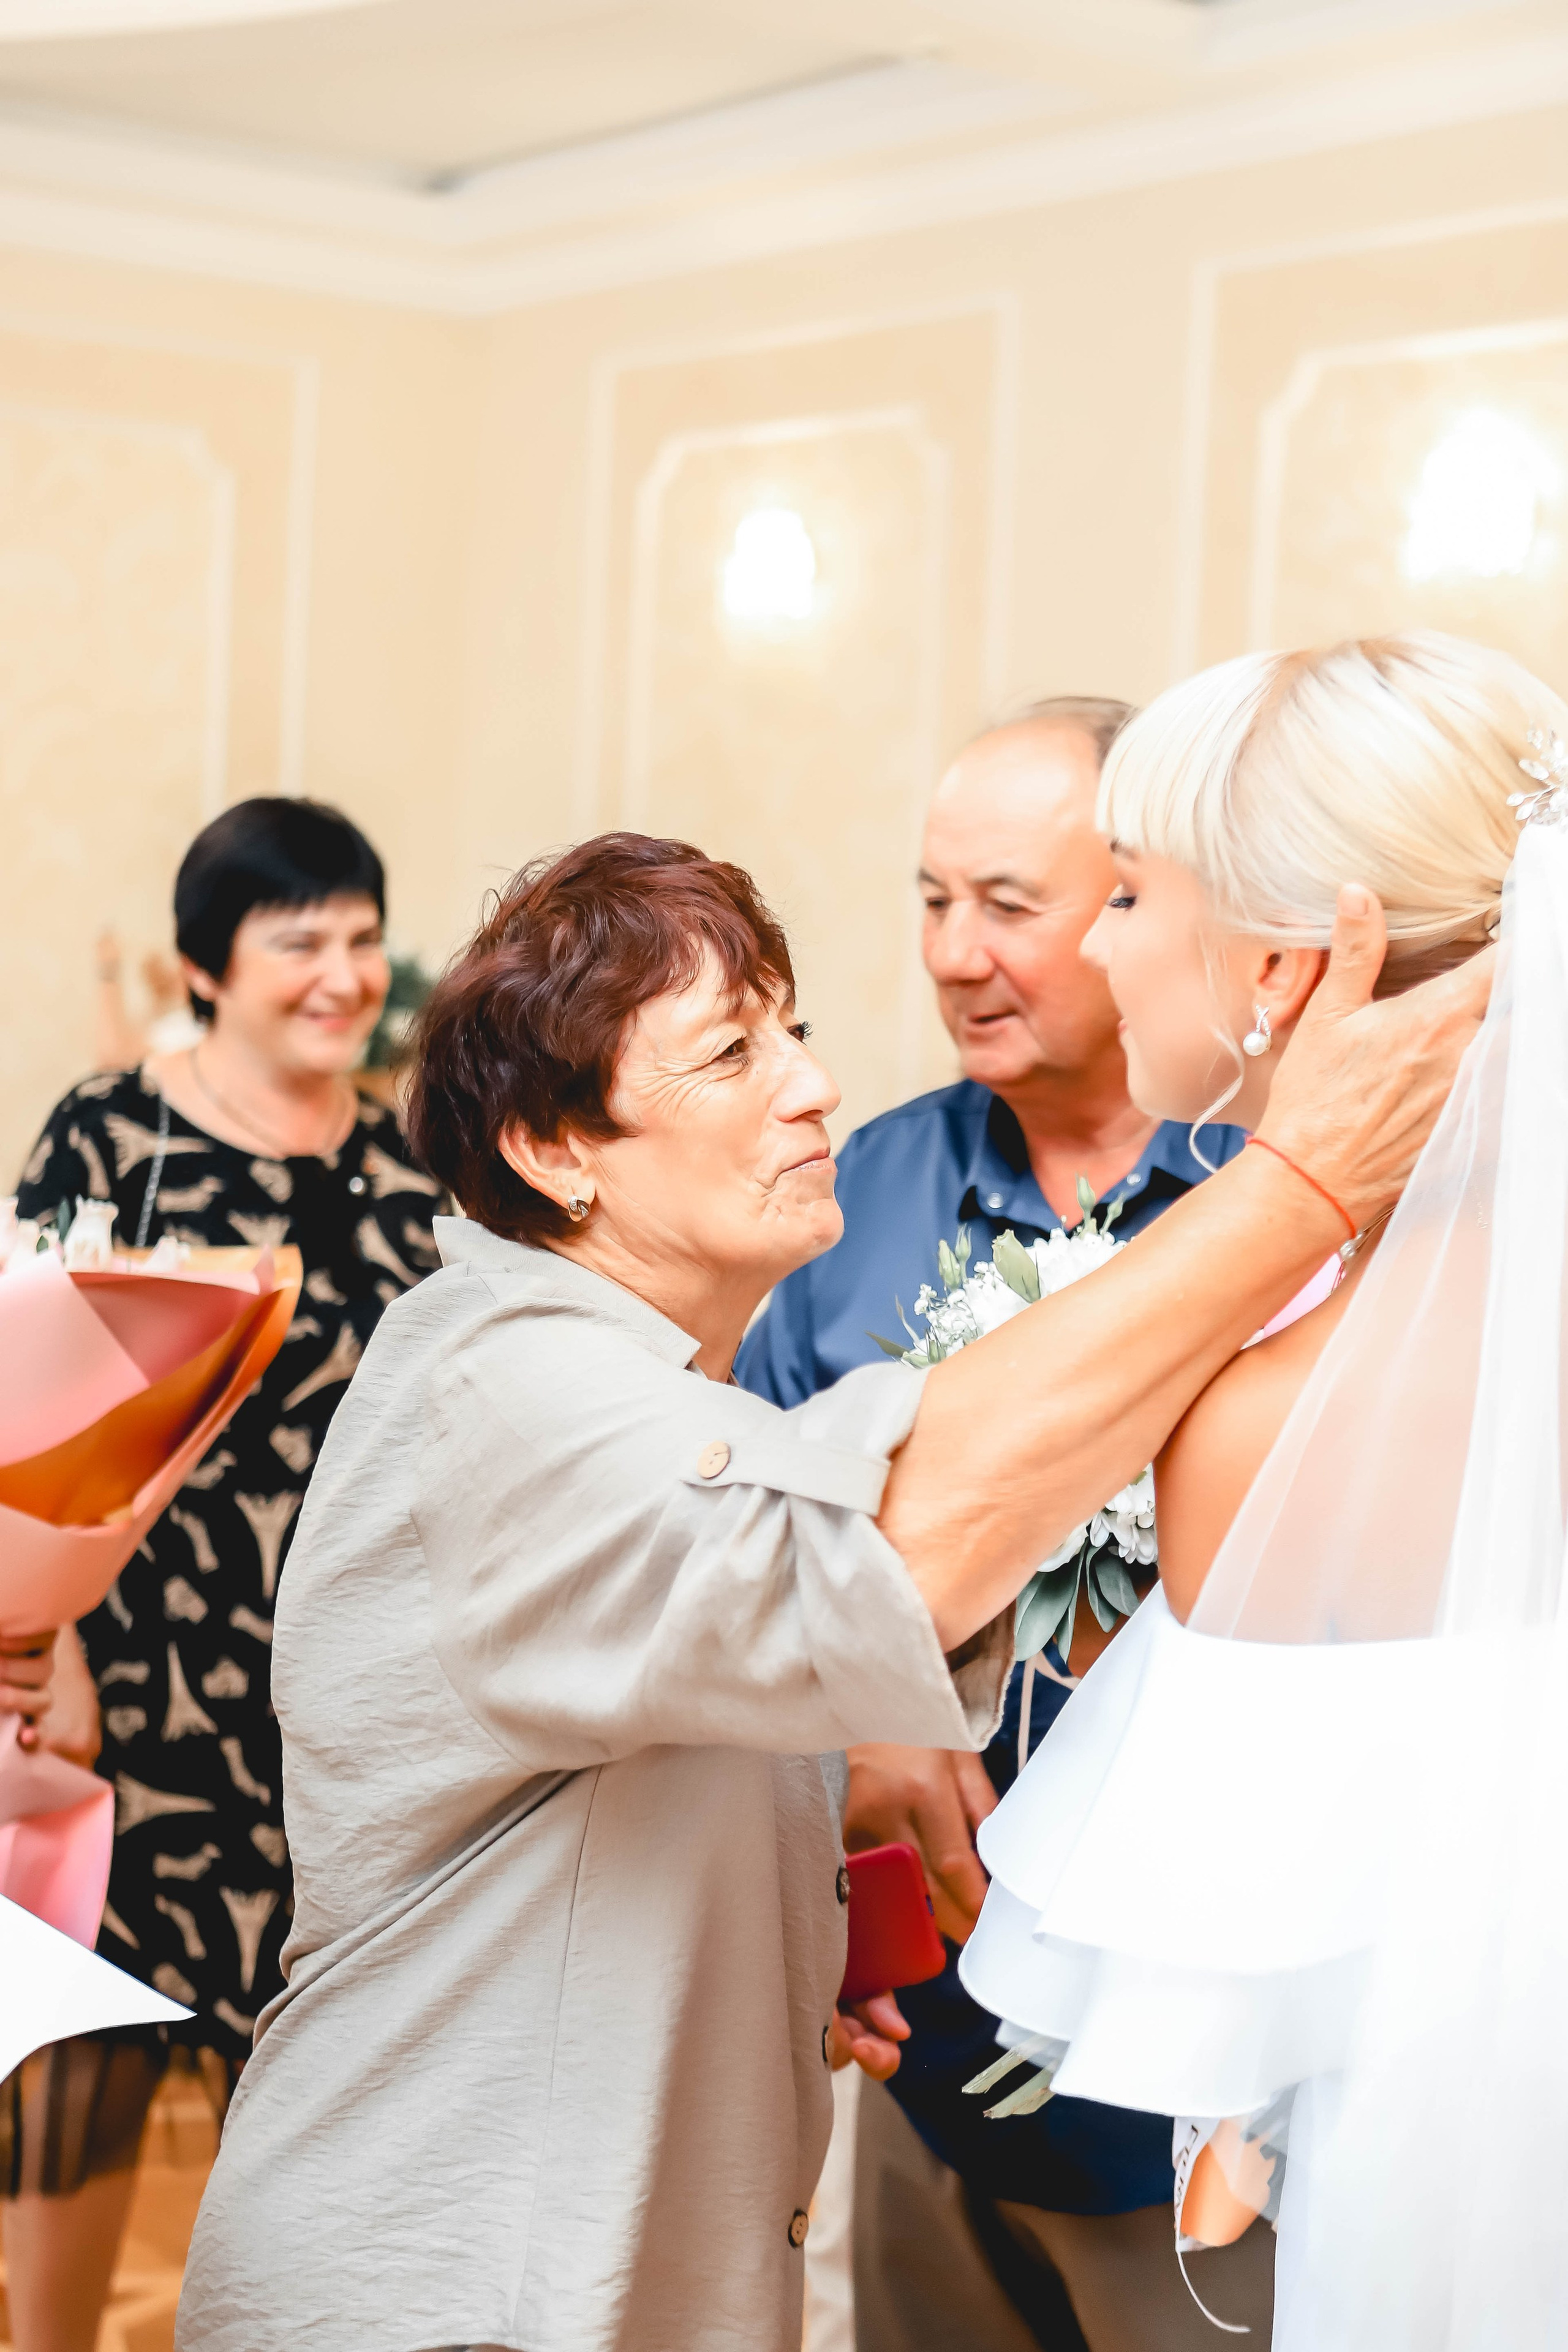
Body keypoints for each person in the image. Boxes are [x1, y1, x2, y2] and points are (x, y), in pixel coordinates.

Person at [170, 827, 1483, 2352]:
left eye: (791, 1031)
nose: (811, 1084)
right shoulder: (505, 1381)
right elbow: (872, 1556)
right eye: (730, 1053)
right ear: (553, 1149)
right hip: (440, 2289)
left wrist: (784, 1909)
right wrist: (1302, 1181)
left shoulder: (629, 1387)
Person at [961, 633, 1565, 2351]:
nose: (1092, 942)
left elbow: (1258, 1989)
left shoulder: (1272, 1420)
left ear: (1289, 966)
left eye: (1130, 893)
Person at [739, 698, 1269, 2349]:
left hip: (1210, 2057)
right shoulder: (848, 1202)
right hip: (924, 2029)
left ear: (1139, 905)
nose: (955, 954)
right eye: (929, 900)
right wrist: (838, 1754)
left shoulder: (1279, 1198)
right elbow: (737, 1569)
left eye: (1009, 906)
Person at [3, 796, 444, 2352]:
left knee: (317, 2061)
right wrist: (46, 1659)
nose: (342, 973)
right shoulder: (112, 1134)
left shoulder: (412, 1171)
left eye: (362, 937)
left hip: (343, 1691)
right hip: (137, 1672)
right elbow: (33, 1410)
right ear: (207, 965)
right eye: (299, 940)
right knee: (98, 2058)